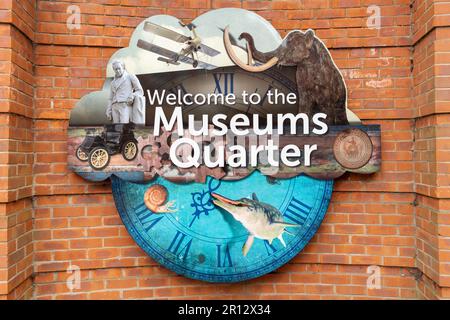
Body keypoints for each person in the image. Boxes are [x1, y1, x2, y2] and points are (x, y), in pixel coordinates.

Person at [106, 60, 145, 124]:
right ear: (113, 70)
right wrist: (108, 110)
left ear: (123, 67)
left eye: (119, 68)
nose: (117, 71)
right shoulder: (112, 82)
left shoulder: (130, 76)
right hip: (114, 106)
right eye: (115, 69)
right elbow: (110, 98)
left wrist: (132, 95)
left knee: (124, 127)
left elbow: (140, 91)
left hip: (124, 105)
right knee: (116, 128)